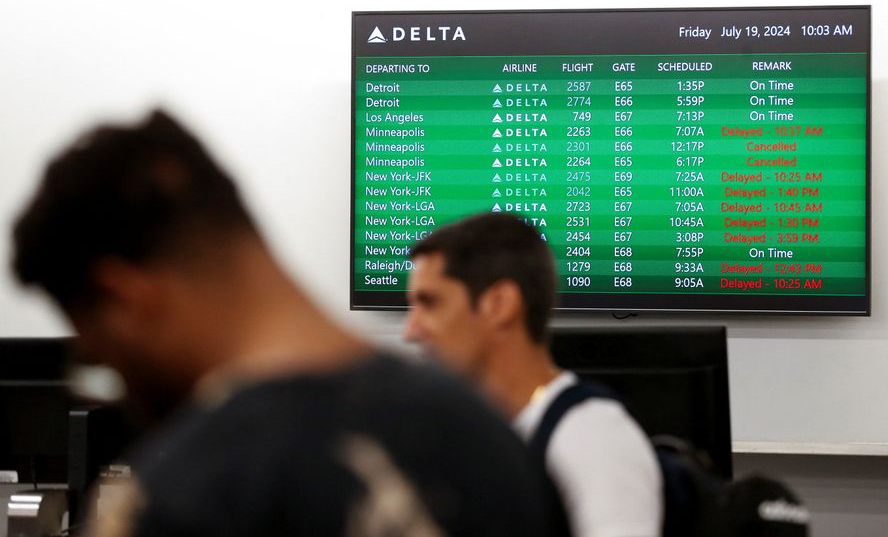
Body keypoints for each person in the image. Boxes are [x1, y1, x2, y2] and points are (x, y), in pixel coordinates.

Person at [11, 109, 564, 537]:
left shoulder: (179, 498)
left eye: (101, 354)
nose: (121, 384)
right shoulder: (491, 441)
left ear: (124, 296)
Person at [405, 212, 664, 537]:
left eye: (430, 303)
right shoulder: (475, 433)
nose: (411, 331)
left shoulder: (592, 438)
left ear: (499, 304)